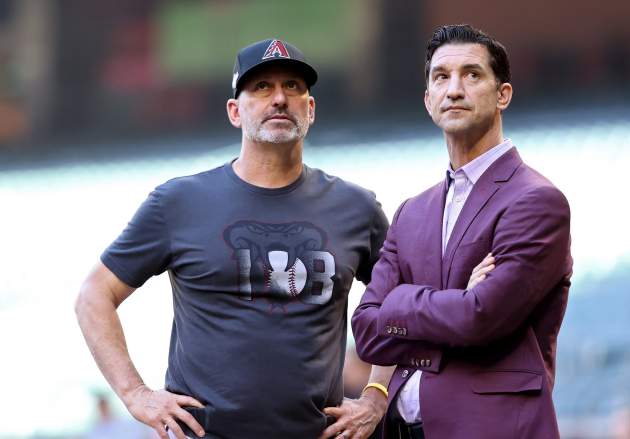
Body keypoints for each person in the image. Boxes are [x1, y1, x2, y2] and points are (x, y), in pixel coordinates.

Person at [75, 38, 392, 439]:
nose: (279, 98)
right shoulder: (179, 202)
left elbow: (401, 299)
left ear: (310, 109)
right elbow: (94, 294)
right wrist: (136, 395)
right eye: (261, 87)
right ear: (234, 112)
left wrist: (377, 394)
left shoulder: (355, 207)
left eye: (293, 86)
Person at [351, 24, 572, 439]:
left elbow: (480, 318)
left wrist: (399, 302)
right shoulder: (411, 212)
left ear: (502, 94)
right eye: (441, 77)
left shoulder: (537, 201)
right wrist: (453, 302)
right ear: (427, 100)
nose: (454, 89)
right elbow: (366, 331)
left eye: (471, 75)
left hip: (490, 427)